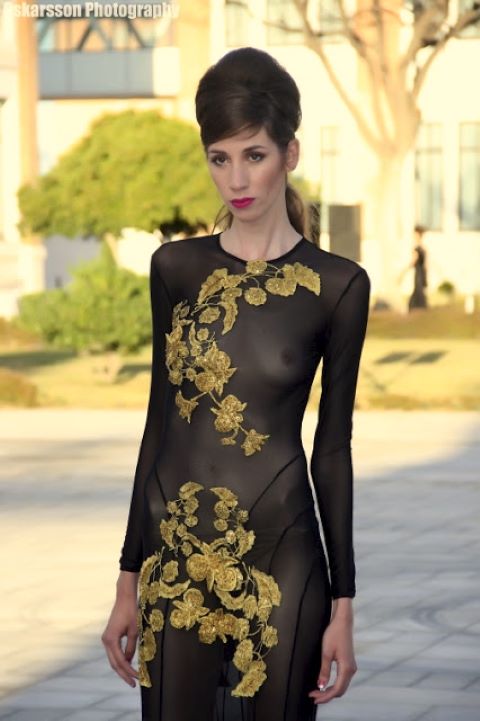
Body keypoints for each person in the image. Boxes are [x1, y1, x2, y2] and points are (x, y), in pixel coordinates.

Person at [101, 46, 370, 721]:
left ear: (290, 153)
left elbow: (332, 449)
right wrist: (128, 579)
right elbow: (159, 425)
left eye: (254, 154)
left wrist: (344, 606)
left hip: (287, 557)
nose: (237, 179)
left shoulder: (337, 286)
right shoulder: (174, 269)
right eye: (219, 158)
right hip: (175, 559)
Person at [408, 225, 428, 311]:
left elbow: (414, 261)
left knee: (418, 289)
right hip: (422, 271)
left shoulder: (417, 248)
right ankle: (419, 306)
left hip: (419, 272)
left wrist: (404, 271)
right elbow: (426, 263)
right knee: (419, 289)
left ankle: (415, 306)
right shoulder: (423, 248)